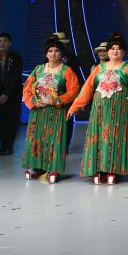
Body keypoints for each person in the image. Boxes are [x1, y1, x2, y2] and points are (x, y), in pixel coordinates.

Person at [66, 33, 128, 184]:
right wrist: (74, 107)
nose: (115, 51)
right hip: (99, 110)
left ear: (123, 52)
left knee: (116, 137)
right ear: (108, 51)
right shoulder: (99, 68)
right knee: (99, 137)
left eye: (118, 49)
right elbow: (87, 89)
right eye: (112, 48)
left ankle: (115, 170)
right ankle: (99, 169)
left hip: (119, 110)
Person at [21, 36, 80, 182]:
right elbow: (27, 88)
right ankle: (37, 167)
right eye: (50, 51)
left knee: (55, 139)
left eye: (56, 51)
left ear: (61, 54)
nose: (53, 53)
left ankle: (54, 169)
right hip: (39, 111)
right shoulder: (38, 69)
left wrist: (58, 100)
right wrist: (34, 102)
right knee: (37, 137)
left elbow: (74, 90)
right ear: (46, 54)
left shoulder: (67, 71)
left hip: (57, 111)